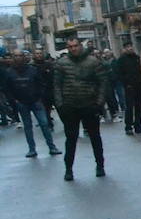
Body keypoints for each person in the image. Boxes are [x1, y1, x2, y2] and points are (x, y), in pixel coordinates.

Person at [52, 37, 107, 181]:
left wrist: (99, 103)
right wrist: (60, 105)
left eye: (75, 46)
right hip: (70, 106)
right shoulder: (61, 64)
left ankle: (100, 165)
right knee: (71, 139)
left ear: (80, 46)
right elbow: (56, 85)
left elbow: (103, 83)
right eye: (70, 47)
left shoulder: (93, 62)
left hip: (89, 104)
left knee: (95, 137)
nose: (73, 49)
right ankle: (68, 169)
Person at [0, 50, 60, 157]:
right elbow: (7, 88)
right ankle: (32, 149)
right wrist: (14, 100)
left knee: (44, 124)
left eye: (20, 55)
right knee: (28, 127)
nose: (18, 58)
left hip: (36, 101)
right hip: (21, 103)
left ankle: (52, 147)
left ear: (24, 57)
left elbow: (41, 83)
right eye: (16, 56)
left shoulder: (32, 70)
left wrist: (39, 97)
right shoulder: (9, 72)